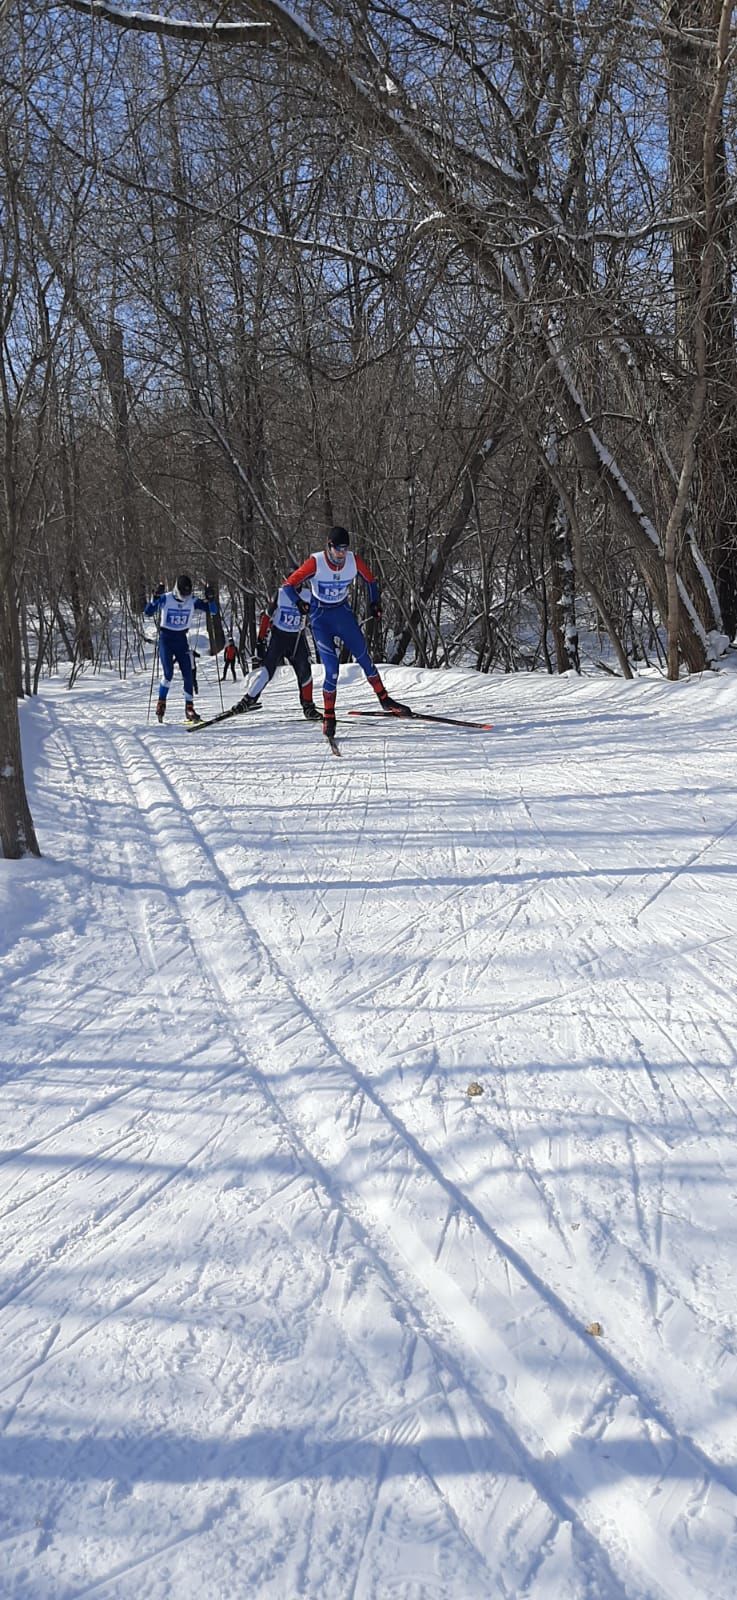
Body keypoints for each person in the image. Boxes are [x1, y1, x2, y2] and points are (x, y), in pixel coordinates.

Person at [282, 527, 410, 739]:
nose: (341, 554)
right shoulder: (316, 562)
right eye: (337, 549)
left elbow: (370, 580)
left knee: (364, 658)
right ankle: (329, 716)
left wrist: (374, 602)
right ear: (329, 546)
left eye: (344, 549)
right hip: (320, 618)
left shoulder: (354, 561)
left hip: (342, 614)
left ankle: (385, 700)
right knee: (332, 669)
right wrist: (298, 603)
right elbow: (288, 585)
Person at [232, 583, 321, 720]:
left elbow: (316, 616)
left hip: (297, 637)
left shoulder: (307, 594)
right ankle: (248, 700)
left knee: (305, 670)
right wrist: (261, 640)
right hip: (279, 637)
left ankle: (308, 706)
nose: (296, 584)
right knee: (268, 669)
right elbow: (267, 616)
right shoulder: (281, 593)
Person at [145, 574, 218, 723]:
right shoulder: (167, 598)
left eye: (187, 594)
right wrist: (155, 597)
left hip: (181, 640)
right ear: (177, 590)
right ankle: (161, 703)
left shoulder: (192, 600)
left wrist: (211, 598)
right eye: (183, 594)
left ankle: (189, 708)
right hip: (166, 639)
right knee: (168, 673)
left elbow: (213, 611)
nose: (185, 598)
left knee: (188, 674)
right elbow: (148, 612)